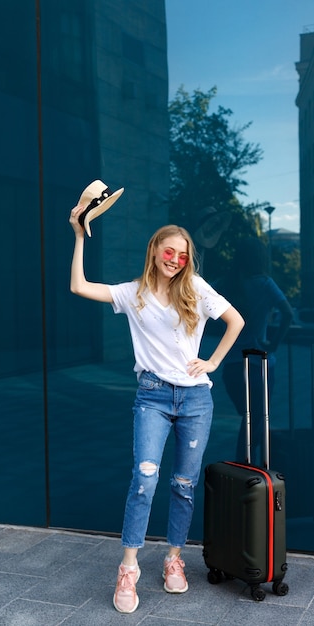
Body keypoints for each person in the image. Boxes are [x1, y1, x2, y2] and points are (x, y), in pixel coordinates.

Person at [69, 205, 244, 614]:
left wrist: (213, 362)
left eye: (183, 256)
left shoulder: (196, 289)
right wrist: (79, 235)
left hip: (196, 399)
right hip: (152, 396)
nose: (176, 261)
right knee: (144, 480)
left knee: (184, 484)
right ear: (154, 252)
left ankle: (173, 558)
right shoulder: (134, 294)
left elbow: (236, 321)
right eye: (169, 253)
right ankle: (128, 568)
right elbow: (79, 286)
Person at [216, 237, 294, 465]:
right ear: (260, 259)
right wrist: (274, 343)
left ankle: (247, 467)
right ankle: (247, 468)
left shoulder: (224, 285)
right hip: (259, 364)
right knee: (256, 420)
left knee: (249, 418)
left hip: (230, 365)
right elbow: (287, 314)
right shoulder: (265, 284)